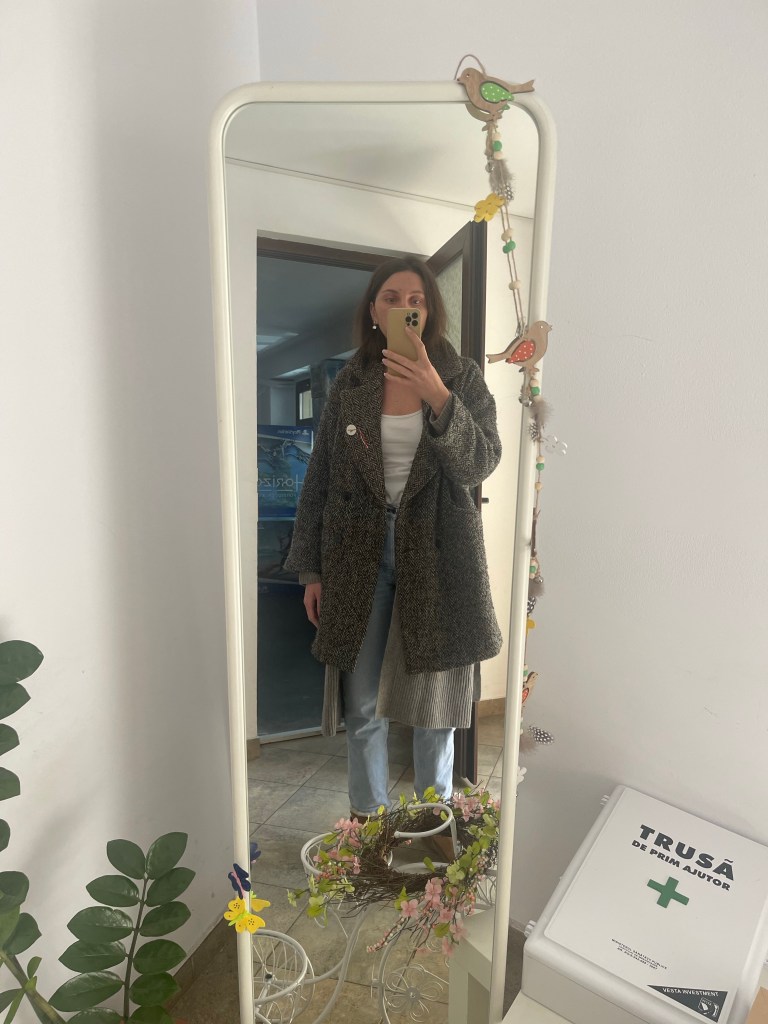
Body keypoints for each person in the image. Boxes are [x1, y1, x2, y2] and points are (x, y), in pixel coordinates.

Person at [284, 257, 502, 824]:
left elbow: (481, 462)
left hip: (439, 553)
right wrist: (311, 571)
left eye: (416, 299)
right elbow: (321, 478)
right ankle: (369, 828)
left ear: (428, 312)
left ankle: (432, 824)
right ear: (374, 311)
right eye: (391, 298)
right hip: (358, 551)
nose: (405, 307)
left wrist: (437, 395)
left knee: (435, 707)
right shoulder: (350, 383)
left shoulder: (461, 378)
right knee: (363, 703)